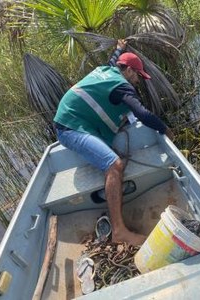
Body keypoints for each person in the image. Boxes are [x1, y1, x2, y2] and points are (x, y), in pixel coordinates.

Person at [53, 40, 174, 246]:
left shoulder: (107, 70)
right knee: (114, 165)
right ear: (126, 70)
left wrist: (120, 47)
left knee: (117, 148)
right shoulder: (122, 86)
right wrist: (165, 129)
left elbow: (113, 58)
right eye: (137, 75)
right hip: (70, 129)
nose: (137, 81)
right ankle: (119, 232)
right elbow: (142, 114)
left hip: (76, 122)